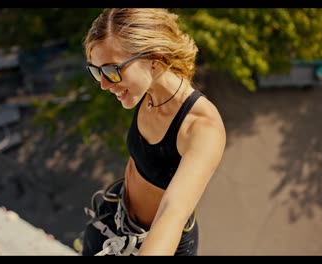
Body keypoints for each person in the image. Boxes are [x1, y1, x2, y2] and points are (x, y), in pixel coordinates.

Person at [78, 8, 226, 256]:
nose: (103, 85)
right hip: (115, 214)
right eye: (96, 71)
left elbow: (172, 212)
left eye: (111, 70)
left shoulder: (201, 128)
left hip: (158, 241)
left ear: (155, 60)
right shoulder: (147, 92)